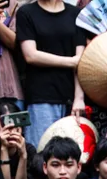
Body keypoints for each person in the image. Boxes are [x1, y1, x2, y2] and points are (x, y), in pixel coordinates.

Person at [15, 0, 85, 146]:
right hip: (42, 98)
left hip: (70, 99)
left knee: (72, 154)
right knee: (41, 153)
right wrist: (70, 61)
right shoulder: (26, 12)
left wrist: (79, 97)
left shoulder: (76, 14)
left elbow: (81, 60)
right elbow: (31, 55)